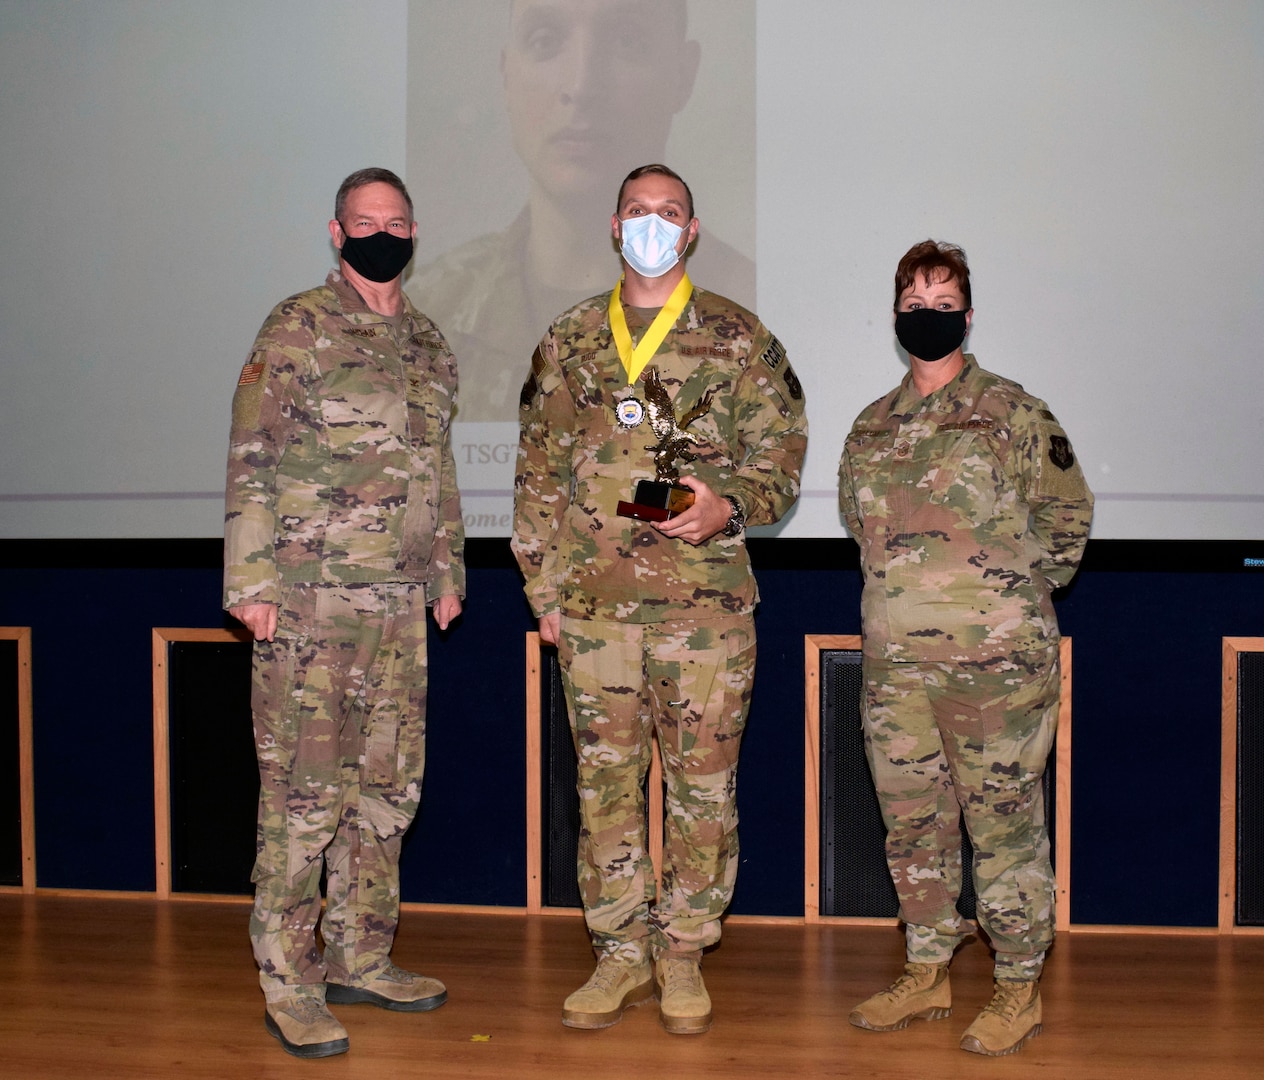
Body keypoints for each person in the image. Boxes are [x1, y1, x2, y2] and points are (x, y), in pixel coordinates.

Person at [513, 163, 806, 1034]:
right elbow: (536, 472)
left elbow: (783, 459)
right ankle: (617, 955)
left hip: (705, 610)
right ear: (613, 227)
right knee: (603, 788)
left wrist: (729, 506)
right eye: (637, 211)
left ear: (691, 230)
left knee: (702, 791)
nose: (651, 223)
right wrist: (544, 588)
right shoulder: (569, 340)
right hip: (595, 609)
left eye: (667, 212)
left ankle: (681, 955)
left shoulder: (738, 337)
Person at [223, 167, 465, 1059]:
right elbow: (253, 452)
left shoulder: (432, 344)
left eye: (396, 221)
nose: (381, 234)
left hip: (401, 605)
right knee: (303, 797)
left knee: (387, 794)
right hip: (308, 603)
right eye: (365, 222)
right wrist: (249, 586)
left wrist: (448, 574)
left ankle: (361, 955)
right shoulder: (296, 327)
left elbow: (434, 469)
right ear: (336, 233)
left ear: (414, 230)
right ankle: (289, 980)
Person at [838, 240, 1092, 1056]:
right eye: (914, 301)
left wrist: (1006, 603)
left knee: (1004, 825)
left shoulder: (1015, 413)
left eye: (943, 304)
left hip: (996, 669)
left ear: (969, 315)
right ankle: (927, 968)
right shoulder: (870, 427)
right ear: (895, 314)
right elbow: (860, 529)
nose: (927, 315)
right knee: (911, 824)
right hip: (896, 667)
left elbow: (1067, 521)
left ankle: (1018, 985)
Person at [408, 0, 755, 420]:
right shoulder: (423, 316)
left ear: (683, 74)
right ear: (506, 74)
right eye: (545, 41)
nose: (582, 84)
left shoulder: (752, 313)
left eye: (628, 41)